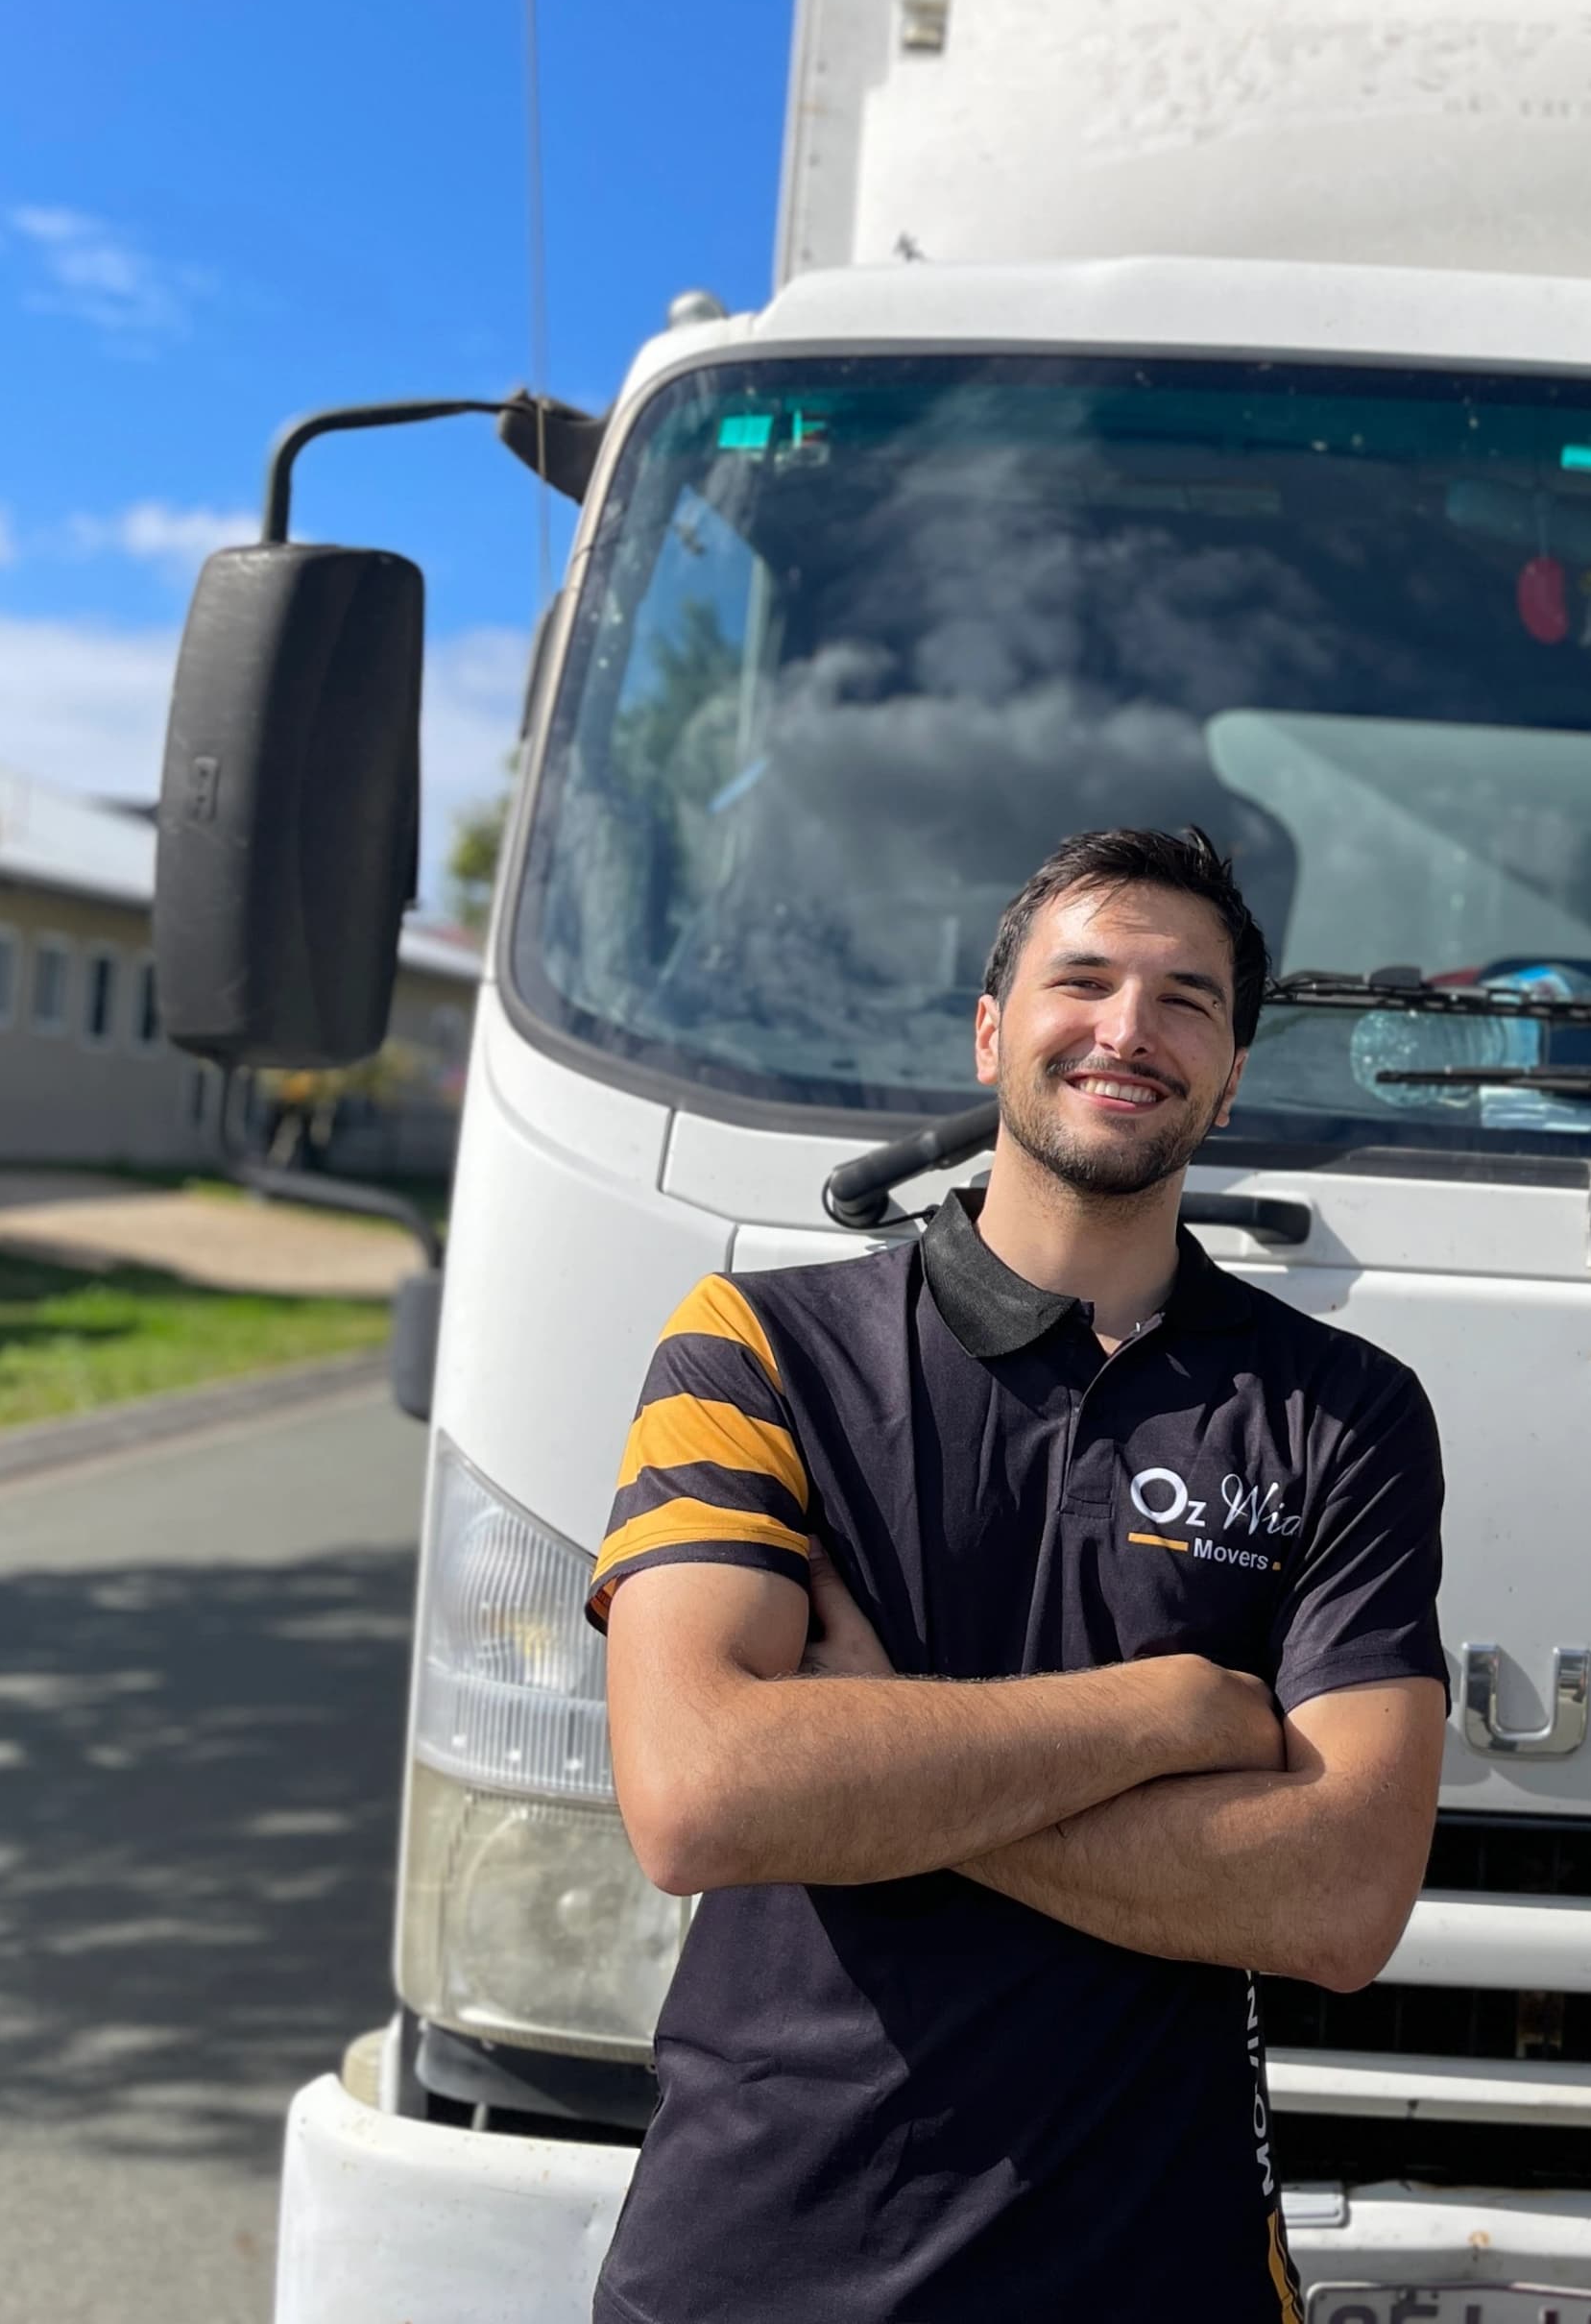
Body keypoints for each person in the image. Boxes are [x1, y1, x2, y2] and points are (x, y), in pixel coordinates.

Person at [589, 826, 1449, 2324]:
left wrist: (864, 1746)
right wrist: (1169, 1717)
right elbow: (700, 1794)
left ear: (1234, 1072)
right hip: (761, 2270)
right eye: (1087, 980)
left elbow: (1339, 1900)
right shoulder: (755, 1347)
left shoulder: (1343, 1413)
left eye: (1188, 999)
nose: (1130, 1029)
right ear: (993, 1033)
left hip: (1157, 2278)